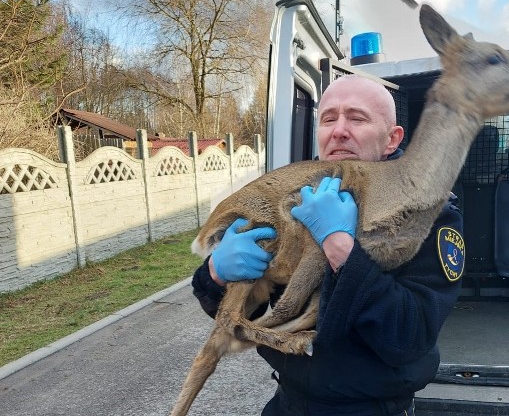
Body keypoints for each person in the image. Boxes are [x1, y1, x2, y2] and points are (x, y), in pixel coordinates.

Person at [192, 74, 464, 416]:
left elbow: (410, 338)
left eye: (357, 117)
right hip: (288, 403)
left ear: (392, 139)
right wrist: (215, 275)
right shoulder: (297, 199)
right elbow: (255, 315)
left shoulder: (426, 212)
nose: (339, 130)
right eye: (328, 118)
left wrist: (340, 247)